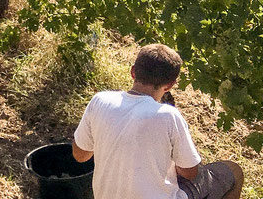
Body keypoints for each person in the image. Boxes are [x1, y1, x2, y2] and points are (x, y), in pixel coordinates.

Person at [72, 44, 245, 199]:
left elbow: (80, 156)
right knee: (233, 171)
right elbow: (190, 173)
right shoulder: (168, 116)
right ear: (170, 85)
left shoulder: (99, 101)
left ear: (133, 72)